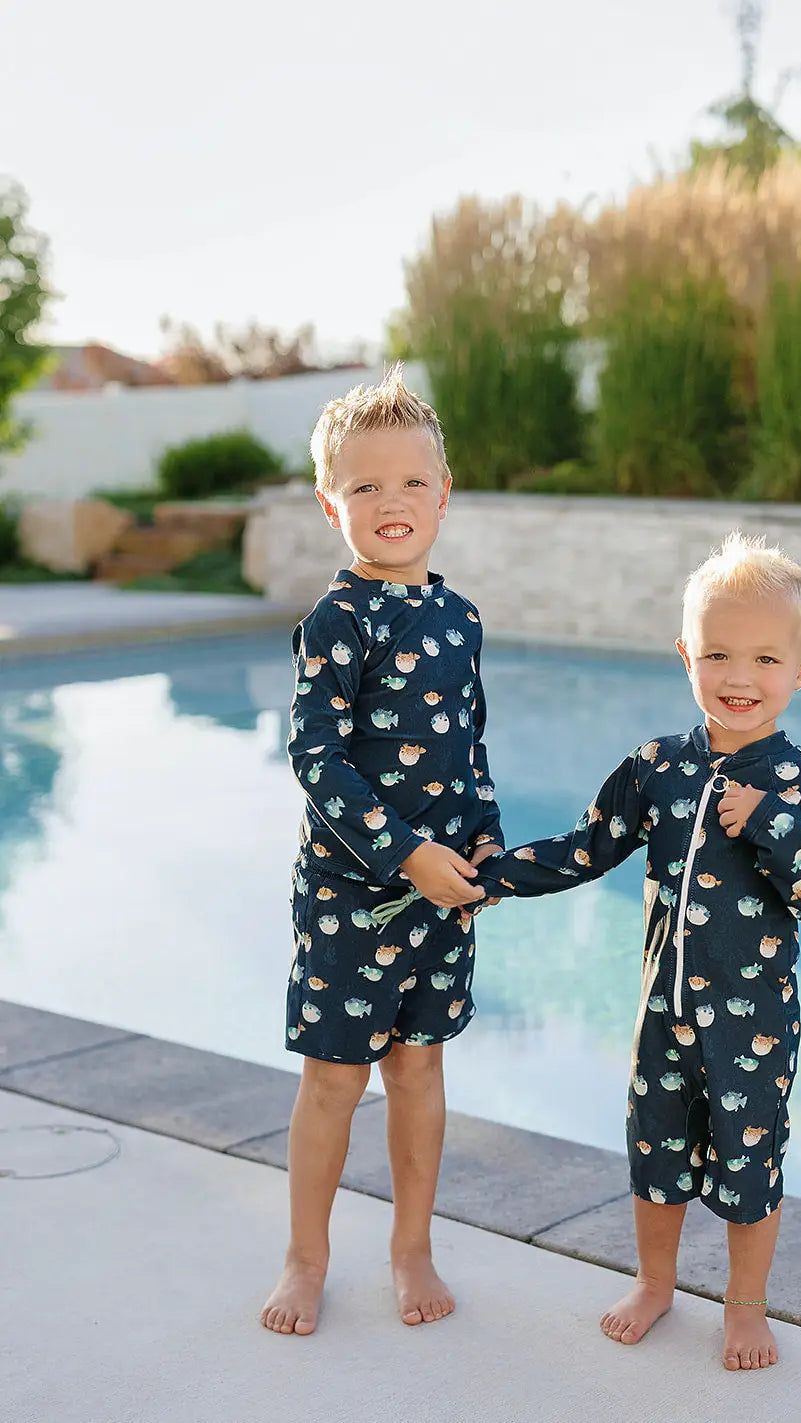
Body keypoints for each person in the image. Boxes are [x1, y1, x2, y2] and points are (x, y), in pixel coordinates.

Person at [474, 531, 801, 1371]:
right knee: (655, 1152)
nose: (738, 676)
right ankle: (654, 1282)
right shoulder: (655, 768)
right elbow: (585, 847)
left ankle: (745, 1304)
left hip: (751, 1026)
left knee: (748, 1161)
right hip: (663, 1015)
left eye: (764, 658)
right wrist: (491, 876)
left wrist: (768, 822)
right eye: (716, 653)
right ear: (685, 654)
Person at [261, 366, 502, 1336]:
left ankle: (412, 1246)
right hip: (350, 897)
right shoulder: (337, 621)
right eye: (365, 485)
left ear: (443, 494)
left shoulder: (460, 619)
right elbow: (314, 758)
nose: (390, 501)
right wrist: (405, 854)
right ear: (332, 505)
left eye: (410, 481)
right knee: (333, 1078)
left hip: (440, 896)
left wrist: (482, 842)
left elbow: (469, 748)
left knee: (418, 1068)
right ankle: (305, 1256)